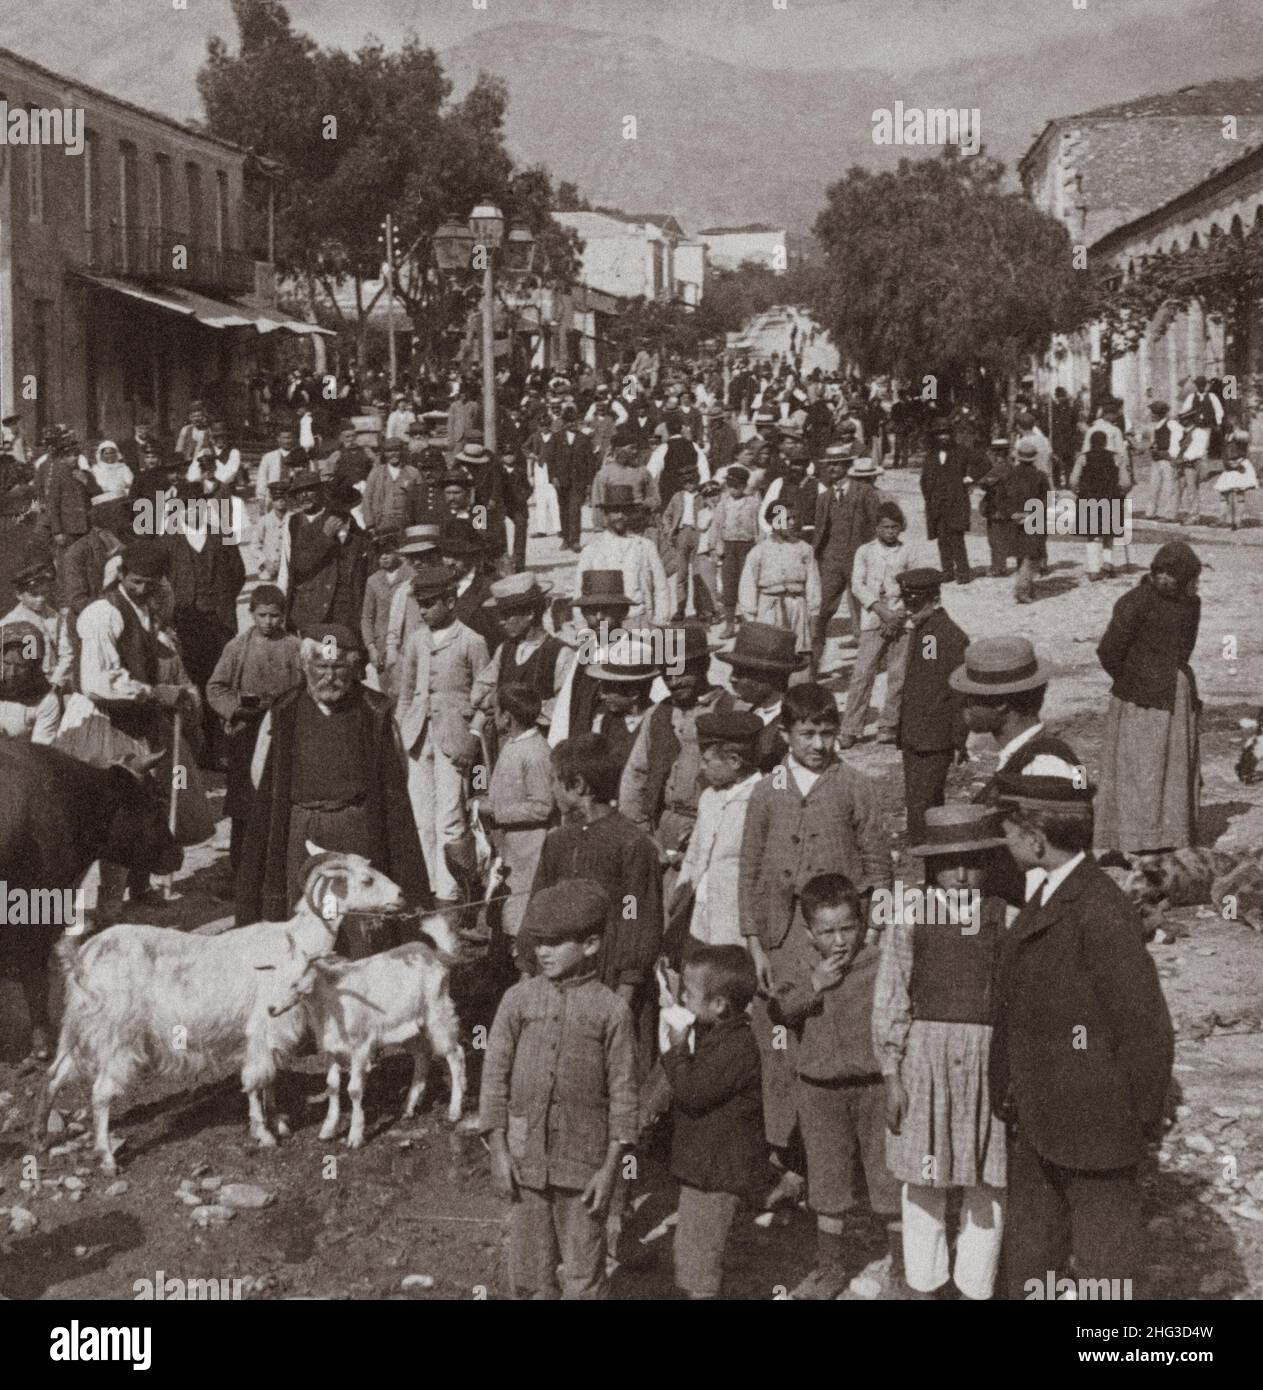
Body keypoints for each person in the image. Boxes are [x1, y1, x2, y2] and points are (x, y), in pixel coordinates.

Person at [991, 765, 1173, 1299]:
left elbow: (1145, 1030)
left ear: (1035, 838)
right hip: (1040, 1118)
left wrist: (1135, 1121)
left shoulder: (1099, 909)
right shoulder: (1051, 893)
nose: (1003, 843)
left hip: (1097, 1129)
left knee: (1105, 1273)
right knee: (1034, 1260)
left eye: (1008, 832)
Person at [738, 683, 891, 1180]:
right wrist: (754, 941)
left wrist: (869, 936)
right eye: (808, 734)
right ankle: (788, 1157)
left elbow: (878, 867)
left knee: (829, 1036)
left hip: (836, 937)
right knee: (780, 1042)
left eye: (828, 734)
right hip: (782, 940)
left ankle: (837, 1162)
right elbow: (750, 867)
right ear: (785, 734)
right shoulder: (768, 790)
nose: (820, 745)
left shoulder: (855, 787)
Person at [873, 806, 1011, 1301]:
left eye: (972, 863)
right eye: (949, 864)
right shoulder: (911, 915)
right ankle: (924, 1283)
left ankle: (975, 1285)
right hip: (924, 1060)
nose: (961, 875)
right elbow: (892, 996)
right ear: (932, 866)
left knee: (986, 1180)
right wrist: (892, 1075)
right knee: (924, 1179)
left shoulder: (1005, 916)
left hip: (986, 1059)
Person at [479, 878, 639, 1300]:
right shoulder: (517, 1001)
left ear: (590, 945)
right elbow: (493, 1078)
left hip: (585, 1169)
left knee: (584, 1275)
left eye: (554, 943)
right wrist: (498, 1149)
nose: (542, 952)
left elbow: (624, 1095)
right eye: (538, 942)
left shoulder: (612, 1011)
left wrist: (610, 1171)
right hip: (525, 1162)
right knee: (531, 1274)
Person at [236, 621, 428, 924]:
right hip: (302, 828)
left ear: (353, 668)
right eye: (320, 666)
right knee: (309, 914)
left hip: (355, 827)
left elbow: (398, 775)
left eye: (338, 667)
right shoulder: (284, 711)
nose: (329, 676)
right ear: (305, 666)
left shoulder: (374, 712)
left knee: (358, 915)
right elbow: (261, 773)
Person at [773, 873, 902, 1300]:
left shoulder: (880, 963)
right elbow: (780, 1011)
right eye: (827, 932)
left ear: (863, 924)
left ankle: (903, 1267)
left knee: (887, 1180)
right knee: (827, 1184)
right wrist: (815, 985)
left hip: (873, 1088)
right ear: (809, 934)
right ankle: (829, 1270)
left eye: (848, 928)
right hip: (819, 1092)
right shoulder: (799, 969)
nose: (840, 940)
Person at [527, 735, 664, 1066]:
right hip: (562, 979)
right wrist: (528, 971)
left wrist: (625, 992)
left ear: (578, 785)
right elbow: (538, 905)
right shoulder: (558, 842)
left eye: (555, 782)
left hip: (610, 980)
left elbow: (636, 914)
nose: (552, 790)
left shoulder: (631, 844)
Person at [662, 945, 765, 1299]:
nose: (683, 998)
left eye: (689, 993)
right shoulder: (722, 1037)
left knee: (699, 1263)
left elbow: (692, 1092)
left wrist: (676, 1050)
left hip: (716, 1174)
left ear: (719, 1005)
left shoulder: (735, 1047)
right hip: (707, 1170)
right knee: (694, 1255)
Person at [1095, 540, 1201, 855]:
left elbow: (1184, 649)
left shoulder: (1188, 603)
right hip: (1145, 696)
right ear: (1155, 573)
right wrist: (1134, 680)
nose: (1168, 580)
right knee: (1145, 767)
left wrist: (1140, 678)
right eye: (1163, 573)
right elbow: (1109, 650)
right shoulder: (1136, 602)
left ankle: (1158, 834)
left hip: (1164, 694)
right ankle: (1145, 835)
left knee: (1153, 766)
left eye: (1177, 576)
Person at [395, 562, 490, 908]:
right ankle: (428, 889)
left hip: (455, 740)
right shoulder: (416, 640)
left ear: (450, 602)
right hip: (419, 738)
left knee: (451, 819)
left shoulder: (472, 642)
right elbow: (406, 693)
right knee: (421, 818)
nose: (423, 610)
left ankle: (450, 897)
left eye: (430, 603)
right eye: (420, 603)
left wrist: (473, 737)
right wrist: (401, 732)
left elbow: (486, 698)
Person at [619, 622, 735, 891]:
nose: (673, 682)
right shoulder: (659, 714)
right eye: (666, 676)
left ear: (703, 665)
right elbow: (636, 773)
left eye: (681, 673)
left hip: (710, 824)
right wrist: (643, 831)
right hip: (663, 825)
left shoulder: (728, 709)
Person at [206, 585, 303, 872]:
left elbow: (305, 687)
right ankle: (241, 869)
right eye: (262, 615)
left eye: (275, 616)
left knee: (280, 799)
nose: (268, 622)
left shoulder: (295, 647)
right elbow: (215, 688)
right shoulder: (238, 647)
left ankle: (278, 867)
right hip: (246, 732)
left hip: (284, 732)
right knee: (243, 803)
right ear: (251, 614)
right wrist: (237, 708)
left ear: (283, 616)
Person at [669, 711, 764, 960]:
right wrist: (680, 891)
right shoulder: (709, 798)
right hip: (697, 916)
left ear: (734, 761)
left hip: (734, 925)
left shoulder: (763, 799)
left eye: (707, 761)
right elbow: (694, 853)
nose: (701, 768)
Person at [894, 568, 968, 845]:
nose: (908, 610)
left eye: (915, 604)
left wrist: (960, 738)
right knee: (920, 803)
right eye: (906, 603)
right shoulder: (928, 633)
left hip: (934, 739)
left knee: (923, 806)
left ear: (934, 600)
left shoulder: (945, 636)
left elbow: (959, 692)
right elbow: (922, 683)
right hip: (917, 735)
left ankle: (927, 857)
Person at [481, 682, 556, 949]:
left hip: (529, 849)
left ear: (508, 717)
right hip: (510, 846)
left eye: (496, 710)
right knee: (504, 910)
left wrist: (497, 812)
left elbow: (542, 806)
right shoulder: (513, 745)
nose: (493, 716)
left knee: (521, 912)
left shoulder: (535, 753)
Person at [838, 501, 910, 748]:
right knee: (862, 672)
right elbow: (858, 585)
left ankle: (889, 725)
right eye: (885, 527)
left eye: (894, 527)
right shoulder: (865, 551)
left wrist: (896, 615)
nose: (890, 532)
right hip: (873, 617)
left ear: (901, 528)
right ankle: (851, 727)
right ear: (877, 528)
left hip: (902, 619)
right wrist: (880, 610)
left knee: (898, 674)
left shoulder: (908, 551)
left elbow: (915, 584)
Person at [736, 502, 821, 675]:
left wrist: (813, 613)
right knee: (771, 653)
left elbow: (813, 583)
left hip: (798, 606)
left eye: (793, 518)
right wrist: (751, 617)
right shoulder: (759, 551)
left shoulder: (805, 549)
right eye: (785, 518)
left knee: (799, 654)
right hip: (769, 607)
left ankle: (798, 690)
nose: (791, 522)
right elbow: (747, 585)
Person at [576, 484, 671, 625]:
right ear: (605, 515)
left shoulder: (645, 546)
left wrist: (660, 620)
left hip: (639, 619)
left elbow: (661, 586)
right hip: (605, 624)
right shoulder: (592, 550)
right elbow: (580, 592)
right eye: (615, 511)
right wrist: (584, 627)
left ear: (631, 513)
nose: (620, 516)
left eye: (625, 511)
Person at [716, 622, 804, 773]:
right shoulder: (756, 711)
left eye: (741, 673)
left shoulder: (791, 729)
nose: (732, 679)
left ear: (770, 677)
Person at [359, 530, 414, 693]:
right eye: (379, 553)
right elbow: (367, 617)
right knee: (386, 692)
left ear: (398, 552)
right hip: (382, 648)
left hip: (406, 643)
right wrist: (371, 648)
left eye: (388, 552)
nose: (383, 557)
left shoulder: (410, 575)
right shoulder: (373, 580)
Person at [711, 465, 761, 638]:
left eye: (737, 486)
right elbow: (717, 526)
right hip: (729, 546)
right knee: (729, 586)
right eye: (730, 485)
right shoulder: (723, 503)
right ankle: (730, 625)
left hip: (748, 547)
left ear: (744, 485)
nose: (733, 489)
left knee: (748, 584)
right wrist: (717, 546)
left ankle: (750, 625)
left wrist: (759, 546)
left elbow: (758, 526)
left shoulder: (754, 502)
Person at [920, 424, 973, 585]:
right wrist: (929, 496)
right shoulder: (930, 456)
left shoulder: (962, 452)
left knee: (957, 537)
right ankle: (947, 571)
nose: (943, 437)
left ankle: (963, 572)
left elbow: (983, 464)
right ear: (935, 437)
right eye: (940, 434)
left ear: (951, 435)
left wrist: (969, 479)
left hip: (956, 502)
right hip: (937, 504)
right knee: (942, 538)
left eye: (946, 434)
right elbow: (924, 479)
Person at [997, 439, 1047, 605]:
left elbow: (1000, 498)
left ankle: (1028, 586)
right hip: (1034, 517)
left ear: (1018, 457)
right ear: (1033, 458)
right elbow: (1047, 499)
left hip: (1014, 518)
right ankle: (1022, 588)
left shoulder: (1008, 475)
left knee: (1020, 553)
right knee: (1033, 554)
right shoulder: (1040, 476)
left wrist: (1011, 514)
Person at [1070, 428, 1122, 580]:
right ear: (1105, 443)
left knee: (1092, 535)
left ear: (1091, 443)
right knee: (1109, 532)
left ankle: (1093, 569)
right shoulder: (1116, 457)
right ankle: (1108, 563)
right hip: (1110, 496)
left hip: (1089, 497)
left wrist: (1077, 491)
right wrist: (1122, 491)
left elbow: (1073, 480)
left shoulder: (1083, 458)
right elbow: (1125, 481)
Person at [0, 621, 61, 742]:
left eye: (21, 666)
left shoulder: (46, 702)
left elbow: (39, 753)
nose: (12, 673)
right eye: (6, 663)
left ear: (33, 666)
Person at [362, 437, 423, 536]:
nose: (393, 454)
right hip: (382, 521)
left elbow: (421, 499)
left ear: (402, 452)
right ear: (384, 454)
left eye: (397, 450)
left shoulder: (413, 472)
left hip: (406, 522)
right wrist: (370, 524)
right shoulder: (376, 472)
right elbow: (367, 499)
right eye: (389, 451)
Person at [974, 437, 1014, 577]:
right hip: (1007, 506)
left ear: (996, 452)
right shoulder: (1010, 465)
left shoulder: (999, 468)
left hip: (997, 507)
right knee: (1002, 537)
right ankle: (1000, 566)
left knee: (995, 539)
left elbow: (984, 483)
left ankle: (998, 568)